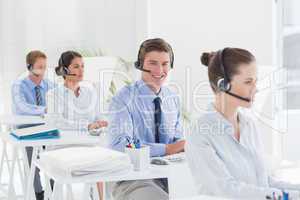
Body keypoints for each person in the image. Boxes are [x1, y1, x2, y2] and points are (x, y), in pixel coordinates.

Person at [185, 48, 300, 199]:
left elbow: (263, 182)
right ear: (223, 85)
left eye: (255, 81)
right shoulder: (200, 134)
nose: (256, 89)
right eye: (248, 82)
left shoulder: (248, 125)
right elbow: (227, 190)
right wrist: (289, 196)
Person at [107, 38, 185, 200]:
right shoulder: (123, 99)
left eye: (165, 64)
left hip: (170, 177)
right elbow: (120, 145)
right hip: (133, 180)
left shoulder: (173, 99)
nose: (159, 69)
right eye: (152, 63)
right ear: (140, 64)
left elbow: (178, 142)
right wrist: (167, 149)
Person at [11, 50, 54, 200]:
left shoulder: (49, 84)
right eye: (39, 67)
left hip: (46, 127)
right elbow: (22, 107)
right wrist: (44, 109)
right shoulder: (19, 85)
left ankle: (53, 190)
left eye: (44, 67)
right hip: (26, 128)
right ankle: (39, 193)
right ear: (30, 67)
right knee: (33, 160)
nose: (42, 71)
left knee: (53, 154)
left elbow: (60, 99)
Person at [46, 50, 108, 131]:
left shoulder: (90, 92)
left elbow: (99, 116)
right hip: (67, 141)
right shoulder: (53, 94)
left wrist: (104, 123)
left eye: (82, 66)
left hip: (93, 140)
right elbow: (56, 122)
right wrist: (87, 126)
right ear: (64, 70)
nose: (81, 70)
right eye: (76, 67)